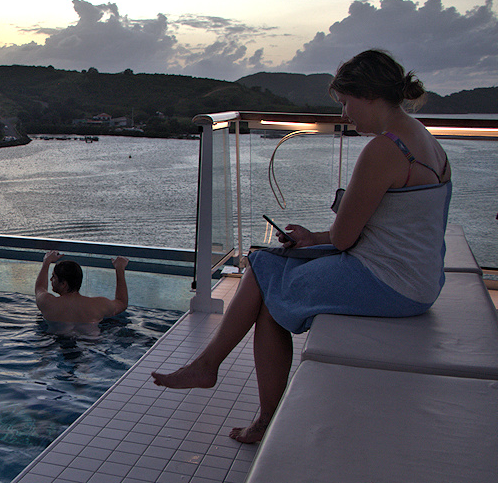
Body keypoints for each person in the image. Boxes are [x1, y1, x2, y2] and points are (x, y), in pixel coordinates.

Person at [152, 49, 452, 444]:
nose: (345, 115)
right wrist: (314, 239)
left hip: (390, 281)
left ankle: (227, 383)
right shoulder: (425, 139)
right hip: (420, 278)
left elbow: (346, 238)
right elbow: (390, 227)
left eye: (346, 103)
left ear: (368, 95)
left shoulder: (385, 150)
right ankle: (224, 380)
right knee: (265, 267)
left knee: (263, 278)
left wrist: (326, 237)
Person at [35, 250, 129, 329]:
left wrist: (46, 262)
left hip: (54, 342)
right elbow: (122, 303)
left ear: (64, 284)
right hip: (89, 344)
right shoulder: (99, 305)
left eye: (53, 276)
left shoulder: (48, 303)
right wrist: (119, 268)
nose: (51, 279)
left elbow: (40, 287)